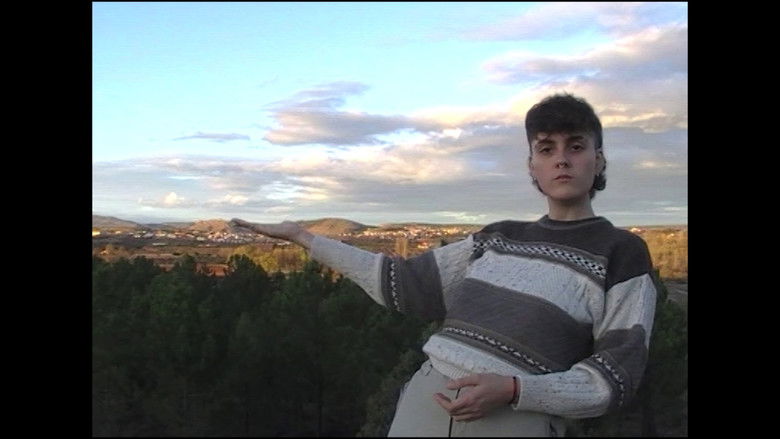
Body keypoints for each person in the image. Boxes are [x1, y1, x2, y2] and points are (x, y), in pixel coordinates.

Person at [229, 93, 657, 437]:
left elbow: (614, 377)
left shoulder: (620, 252)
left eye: (576, 146)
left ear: (599, 160)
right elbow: (400, 283)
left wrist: (515, 390)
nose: (561, 158)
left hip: (514, 419)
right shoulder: (497, 237)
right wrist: (303, 237)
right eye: (547, 148)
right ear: (533, 166)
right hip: (424, 407)